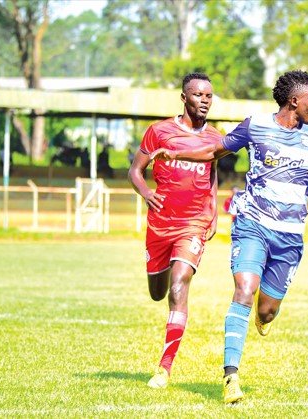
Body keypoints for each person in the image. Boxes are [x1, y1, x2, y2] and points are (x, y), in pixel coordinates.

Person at [151, 70, 308, 405]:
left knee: (268, 311)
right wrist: (179, 154)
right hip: (252, 224)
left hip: (289, 237)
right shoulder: (255, 125)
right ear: (294, 101)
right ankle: (231, 377)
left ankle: (263, 317)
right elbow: (214, 151)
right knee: (243, 289)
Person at [128, 72, 221, 389]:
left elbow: (212, 173)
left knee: (179, 285)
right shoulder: (159, 131)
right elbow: (135, 171)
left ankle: (164, 369)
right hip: (160, 223)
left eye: (209, 95)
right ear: (184, 98)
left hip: (193, 222)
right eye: (198, 94)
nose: (204, 100)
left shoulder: (215, 138)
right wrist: (146, 193)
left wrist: (213, 210)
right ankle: (162, 268)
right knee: (158, 291)